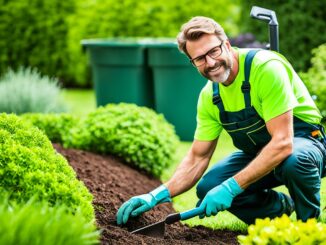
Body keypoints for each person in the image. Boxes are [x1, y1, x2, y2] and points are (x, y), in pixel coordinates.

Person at [116, 16, 326, 226]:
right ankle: (279, 210)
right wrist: (154, 196)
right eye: (199, 59)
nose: (210, 63)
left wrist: (231, 188)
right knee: (209, 185)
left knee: (294, 162)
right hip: (259, 153)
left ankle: (308, 227)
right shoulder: (210, 97)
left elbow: (282, 143)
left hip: (303, 143)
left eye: (213, 51)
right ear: (193, 62)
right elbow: (197, 158)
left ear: (226, 44)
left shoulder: (265, 68)